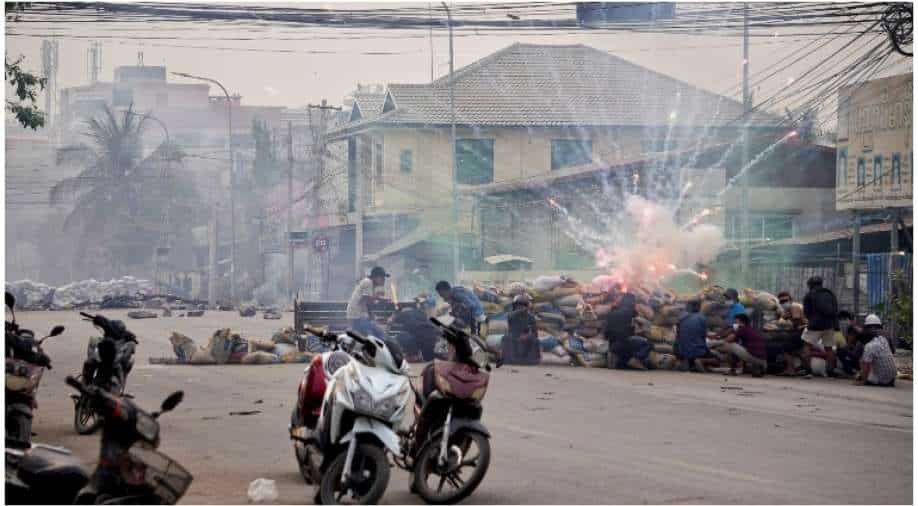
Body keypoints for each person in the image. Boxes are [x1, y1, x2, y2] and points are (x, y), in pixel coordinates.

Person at [801, 276, 839, 376]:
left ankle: (808, 371)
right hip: (829, 325)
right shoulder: (830, 294)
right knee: (829, 348)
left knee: (807, 346)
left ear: (810, 285)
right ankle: (830, 371)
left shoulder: (809, 295)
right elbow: (835, 310)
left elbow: (806, 312)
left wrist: (812, 319)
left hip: (814, 325)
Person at [604, 292, 652, 370]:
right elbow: (639, 326)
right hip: (624, 343)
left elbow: (606, 333)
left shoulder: (611, 313)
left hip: (612, 345)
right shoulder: (631, 313)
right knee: (648, 344)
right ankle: (636, 360)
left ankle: (620, 361)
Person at [389, 297, 439, 362]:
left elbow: (390, 322)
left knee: (401, 336)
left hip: (419, 337)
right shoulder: (421, 312)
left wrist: (394, 315)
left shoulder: (403, 314)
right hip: (432, 337)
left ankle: (413, 355)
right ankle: (418, 355)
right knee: (428, 358)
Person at [346, 266, 389, 339]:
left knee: (377, 333)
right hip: (357, 317)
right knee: (379, 334)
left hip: (357, 317)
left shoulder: (370, 284)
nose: (384, 280)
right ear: (375, 277)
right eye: (382, 277)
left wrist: (371, 316)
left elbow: (367, 301)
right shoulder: (368, 282)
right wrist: (379, 299)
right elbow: (364, 301)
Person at [855, 314, 897, 387]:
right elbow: (892, 351)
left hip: (882, 380)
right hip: (892, 377)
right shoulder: (883, 338)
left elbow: (866, 365)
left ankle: (867, 378)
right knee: (870, 359)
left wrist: (863, 381)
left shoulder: (869, 346)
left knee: (863, 360)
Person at [675, 300, 715, 372]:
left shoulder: (681, 318)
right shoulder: (701, 318)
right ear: (697, 307)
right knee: (716, 359)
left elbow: (678, 335)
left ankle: (690, 364)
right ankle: (701, 361)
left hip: (680, 351)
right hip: (697, 350)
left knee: (691, 347)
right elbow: (703, 335)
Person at [501, 294, 541, 365]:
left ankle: (531, 361)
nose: (521, 307)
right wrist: (518, 312)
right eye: (519, 305)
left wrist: (527, 335)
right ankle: (510, 360)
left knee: (535, 340)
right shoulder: (511, 315)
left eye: (523, 305)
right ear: (515, 306)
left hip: (526, 337)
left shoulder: (530, 317)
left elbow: (535, 332)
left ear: (527, 306)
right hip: (513, 336)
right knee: (506, 338)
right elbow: (508, 319)